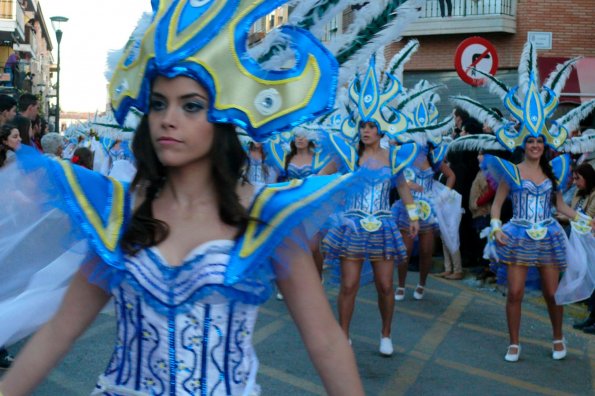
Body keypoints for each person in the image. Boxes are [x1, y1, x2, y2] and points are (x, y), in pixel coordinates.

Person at [0, 2, 365, 395]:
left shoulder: (266, 218)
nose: (168, 118)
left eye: (191, 105)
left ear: (223, 115)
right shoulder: (119, 214)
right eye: (159, 103)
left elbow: (326, 343)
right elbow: (59, 331)